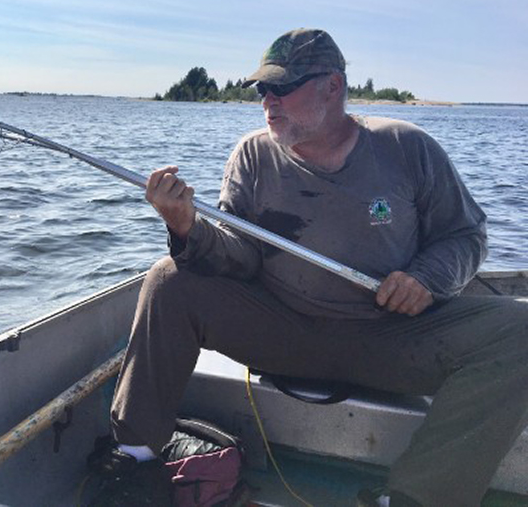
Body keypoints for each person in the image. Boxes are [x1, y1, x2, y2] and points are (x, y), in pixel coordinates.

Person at [89, 28, 528, 507]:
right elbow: (239, 254)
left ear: (333, 86)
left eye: (283, 88)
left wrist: (426, 278)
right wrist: (187, 228)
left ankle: (413, 497)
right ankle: (134, 457)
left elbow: (466, 235)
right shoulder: (253, 155)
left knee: (520, 331)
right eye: (262, 90)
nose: (268, 102)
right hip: (285, 330)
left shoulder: (407, 147)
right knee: (168, 279)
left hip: (390, 335)